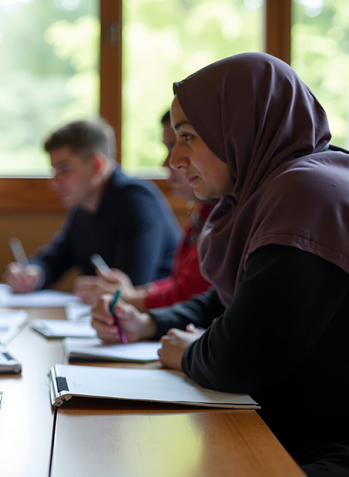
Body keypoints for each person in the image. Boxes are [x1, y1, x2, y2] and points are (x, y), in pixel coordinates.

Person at [91, 52, 349, 476]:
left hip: (329, 447)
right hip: (294, 430)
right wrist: (147, 322)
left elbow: (241, 359)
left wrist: (190, 352)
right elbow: (229, 301)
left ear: (239, 127)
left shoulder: (308, 193)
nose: (174, 158)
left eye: (188, 136)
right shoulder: (260, 195)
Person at [3, 117, 180, 293]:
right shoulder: (82, 208)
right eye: (54, 171)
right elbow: (57, 259)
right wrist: (33, 274)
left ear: (96, 165)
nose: (54, 182)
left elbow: (133, 284)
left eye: (64, 169)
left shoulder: (136, 200)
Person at [73, 111, 215, 310]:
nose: (169, 162)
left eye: (184, 142)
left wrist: (129, 297)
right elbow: (178, 283)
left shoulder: (135, 198)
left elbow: (189, 295)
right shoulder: (206, 211)